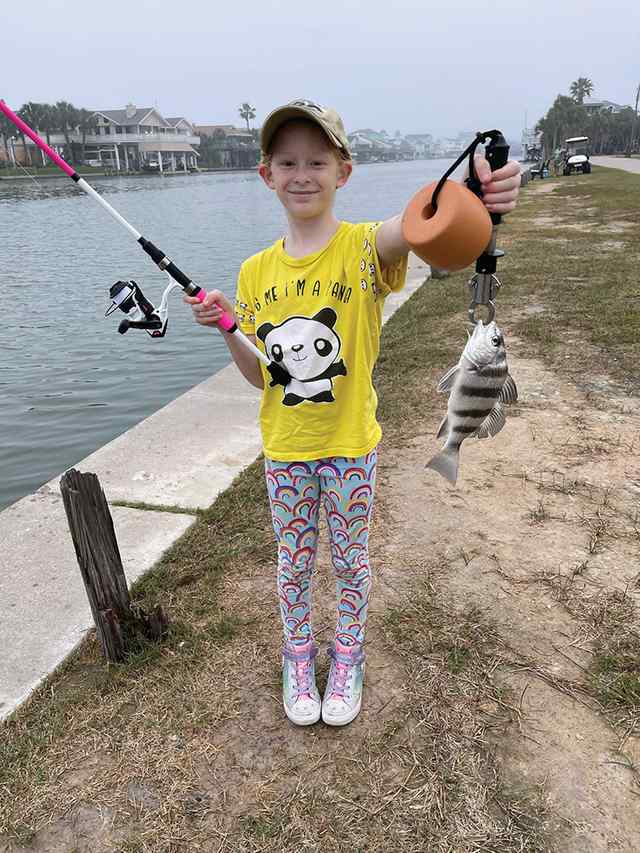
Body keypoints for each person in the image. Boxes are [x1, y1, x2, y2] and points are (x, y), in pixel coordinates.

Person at [186, 99, 520, 727]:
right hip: (285, 449)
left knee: (349, 559)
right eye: (287, 161)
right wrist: (228, 326)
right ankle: (297, 654)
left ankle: (347, 657)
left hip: (350, 445)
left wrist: (472, 185)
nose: (302, 173)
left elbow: (417, 225)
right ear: (267, 174)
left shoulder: (365, 248)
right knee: (293, 560)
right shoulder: (254, 271)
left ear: (344, 170)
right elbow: (262, 372)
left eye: (317, 160)